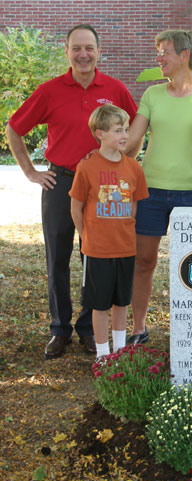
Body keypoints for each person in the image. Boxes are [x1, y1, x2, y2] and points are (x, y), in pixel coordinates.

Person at [5, 24, 138, 359]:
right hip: (61, 182)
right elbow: (14, 128)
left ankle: (88, 329)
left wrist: (123, 165)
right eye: (76, 48)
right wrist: (31, 172)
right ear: (67, 51)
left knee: (94, 259)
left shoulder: (115, 88)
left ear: (98, 50)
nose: (83, 54)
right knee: (58, 259)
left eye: (89, 48)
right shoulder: (50, 90)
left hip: (104, 187)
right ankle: (60, 329)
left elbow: (136, 130)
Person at [124, 30, 192, 346]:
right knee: (143, 261)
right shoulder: (152, 96)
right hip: (151, 191)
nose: (159, 57)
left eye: (165, 52)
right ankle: (138, 328)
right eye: (158, 51)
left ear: (185, 55)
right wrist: (108, 161)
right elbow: (133, 142)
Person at [69, 104, 148, 360]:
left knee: (121, 302)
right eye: (117, 130)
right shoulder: (87, 167)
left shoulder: (134, 168)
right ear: (100, 134)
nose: (125, 135)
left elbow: (133, 206)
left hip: (125, 248)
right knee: (100, 304)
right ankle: (103, 355)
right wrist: (86, 237)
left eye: (126, 129)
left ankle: (120, 351)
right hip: (98, 250)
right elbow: (76, 207)